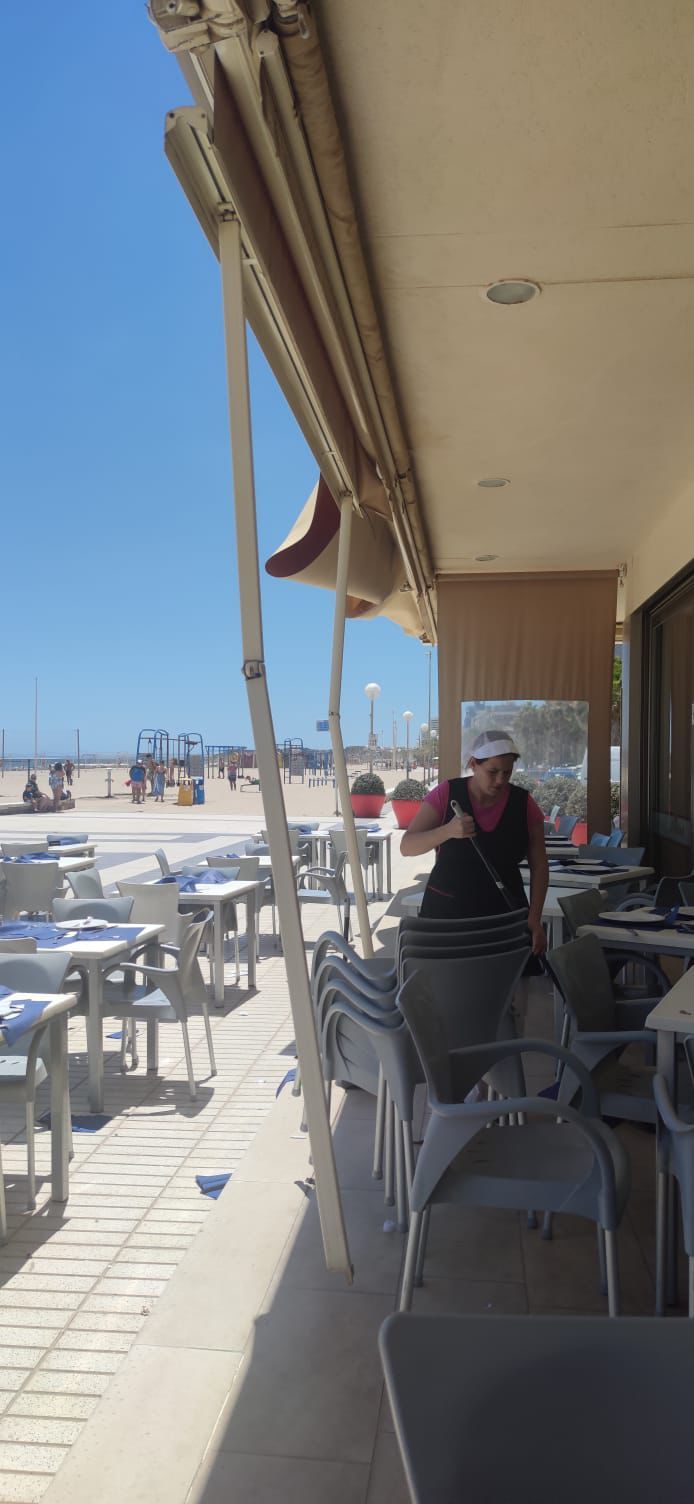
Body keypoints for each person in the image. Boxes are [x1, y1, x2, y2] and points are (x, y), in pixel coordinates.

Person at [400, 729, 549, 957]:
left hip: (505, 916)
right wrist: (448, 831)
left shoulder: (523, 803)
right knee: (449, 986)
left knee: (505, 988)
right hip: (447, 916)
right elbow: (407, 846)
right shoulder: (446, 794)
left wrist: (535, 918)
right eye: (492, 771)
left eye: (507, 773)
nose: (500, 780)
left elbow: (540, 866)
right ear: (473, 764)